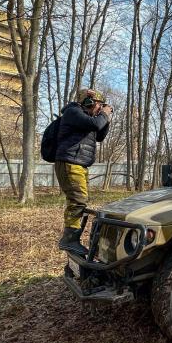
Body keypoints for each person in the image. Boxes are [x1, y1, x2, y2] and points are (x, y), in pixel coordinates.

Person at [55, 88, 112, 255]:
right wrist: (104, 115)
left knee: (81, 200)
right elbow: (95, 124)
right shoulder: (73, 111)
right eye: (98, 105)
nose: (99, 109)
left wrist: (106, 118)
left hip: (79, 164)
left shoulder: (88, 118)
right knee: (78, 200)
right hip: (70, 162)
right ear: (88, 102)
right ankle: (69, 239)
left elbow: (100, 135)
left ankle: (73, 238)